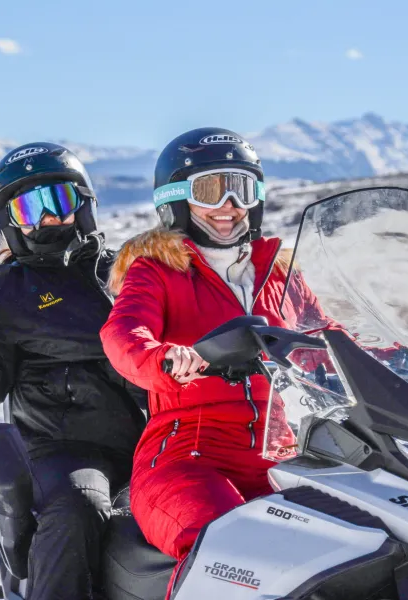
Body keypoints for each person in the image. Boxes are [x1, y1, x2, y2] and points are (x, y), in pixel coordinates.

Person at [99, 128, 323, 589]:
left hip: (283, 455)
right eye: (210, 189)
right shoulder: (157, 270)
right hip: (186, 458)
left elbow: (329, 338)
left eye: (242, 188)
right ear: (176, 200)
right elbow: (123, 333)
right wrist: (163, 357)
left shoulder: (278, 273)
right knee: (229, 545)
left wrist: (404, 361)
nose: (229, 205)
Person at [0, 142, 147, 600]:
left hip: (156, 439)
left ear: (83, 206)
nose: (47, 218)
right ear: (11, 221)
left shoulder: (127, 274)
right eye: (30, 206)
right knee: (77, 507)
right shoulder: (6, 294)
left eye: (59, 201)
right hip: (63, 449)